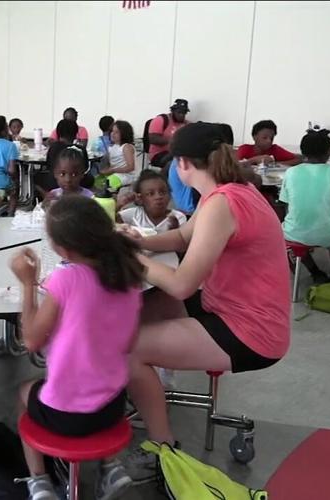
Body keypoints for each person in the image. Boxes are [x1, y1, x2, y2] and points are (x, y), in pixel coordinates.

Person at [120, 123, 290, 482]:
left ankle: (163, 448)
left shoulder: (222, 204)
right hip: (233, 309)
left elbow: (183, 285)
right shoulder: (232, 191)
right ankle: (136, 389)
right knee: (141, 310)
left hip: (249, 331)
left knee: (128, 349)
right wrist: (141, 242)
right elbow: (183, 235)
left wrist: (131, 258)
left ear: (181, 164)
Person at [11, 195, 144, 500]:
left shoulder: (65, 279)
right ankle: (110, 468)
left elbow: (31, 340)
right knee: (93, 385)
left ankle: (39, 481)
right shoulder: (129, 275)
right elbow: (129, 342)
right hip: (113, 406)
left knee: (23, 393)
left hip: (65, 414)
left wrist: (28, 285)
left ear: (64, 250)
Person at [279, 129, 330, 283]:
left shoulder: (290, 173)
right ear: (328, 153)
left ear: (303, 152)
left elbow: (285, 204)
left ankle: (315, 272)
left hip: (294, 232)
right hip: (327, 232)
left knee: (294, 236)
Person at [37, 119, 92, 199]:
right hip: (79, 182)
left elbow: (48, 165)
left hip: (53, 182)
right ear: (75, 133)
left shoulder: (54, 147)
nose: (67, 179)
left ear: (58, 133)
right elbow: (86, 167)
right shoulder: (80, 148)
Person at [118, 170, 187, 234]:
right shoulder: (134, 214)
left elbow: (183, 242)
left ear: (169, 195)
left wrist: (175, 230)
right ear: (140, 198)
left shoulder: (178, 217)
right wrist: (119, 204)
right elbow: (110, 221)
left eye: (163, 192)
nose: (158, 197)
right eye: (150, 194)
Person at [144, 98, 190, 167]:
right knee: (174, 163)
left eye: (184, 113)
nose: (182, 115)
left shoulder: (186, 124)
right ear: (173, 111)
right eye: (179, 112)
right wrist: (174, 140)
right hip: (159, 154)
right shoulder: (161, 120)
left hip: (178, 154)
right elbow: (152, 139)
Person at [97, 120, 137, 191]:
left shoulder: (126, 147)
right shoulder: (112, 147)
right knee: (96, 181)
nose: (113, 134)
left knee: (106, 184)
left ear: (124, 134)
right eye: (112, 131)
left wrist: (112, 170)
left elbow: (130, 167)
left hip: (126, 176)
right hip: (116, 174)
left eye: (117, 132)